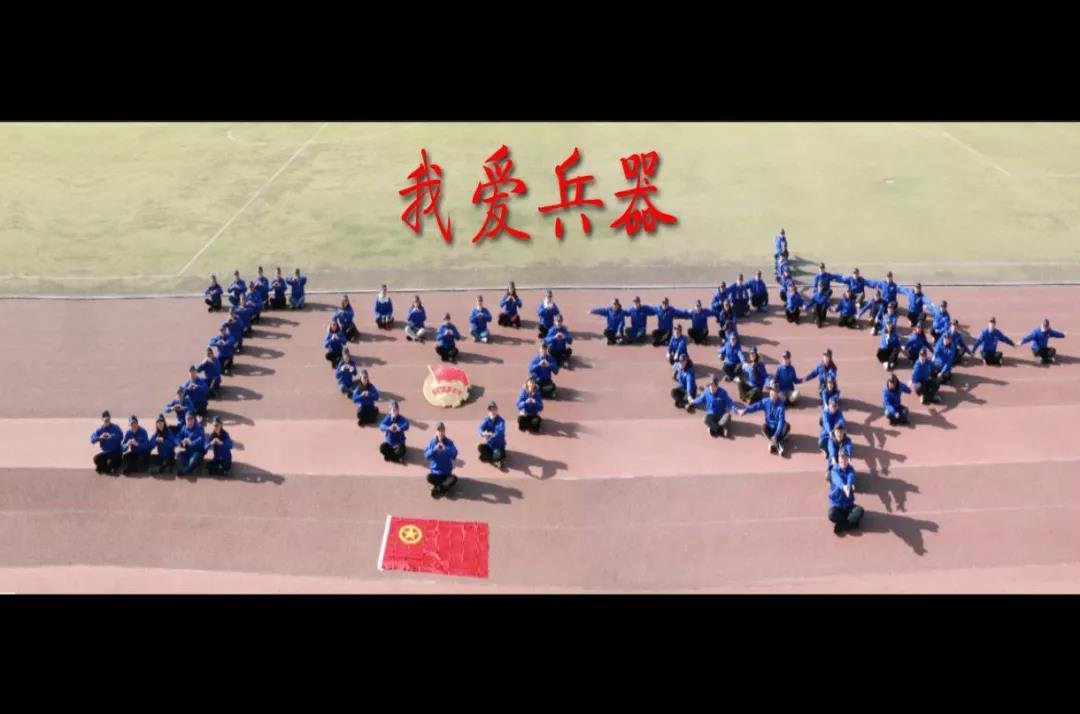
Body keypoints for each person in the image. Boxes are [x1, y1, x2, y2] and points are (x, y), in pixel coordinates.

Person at [740, 382, 790, 456]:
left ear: (777, 393)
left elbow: (780, 421)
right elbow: (756, 406)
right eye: (771, 390)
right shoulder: (766, 401)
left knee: (787, 426)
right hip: (770, 427)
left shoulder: (781, 406)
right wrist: (745, 410)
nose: (771, 393)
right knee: (763, 428)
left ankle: (776, 442)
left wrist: (776, 435)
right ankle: (777, 442)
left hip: (778, 428)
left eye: (774, 391)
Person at [828, 450, 865, 535]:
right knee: (831, 514)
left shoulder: (851, 470)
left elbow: (851, 477)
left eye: (845, 458)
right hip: (837, 505)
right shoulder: (834, 470)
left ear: (848, 459)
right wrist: (843, 487)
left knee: (860, 511)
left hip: (848, 506)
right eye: (842, 458)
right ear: (838, 458)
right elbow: (837, 479)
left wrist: (848, 485)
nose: (844, 461)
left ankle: (842, 525)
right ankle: (851, 525)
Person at [425, 422, 459, 499]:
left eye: (442, 430)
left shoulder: (449, 442)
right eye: (439, 430)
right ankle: (444, 488)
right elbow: (427, 456)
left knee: (454, 478)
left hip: (446, 473)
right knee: (428, 477)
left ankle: (438, 488)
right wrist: (434, 449)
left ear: (444, 431)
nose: (440, 432)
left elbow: (454, 454)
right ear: (436, 432)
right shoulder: (432, 443)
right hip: (436, 473)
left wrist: (445, 449)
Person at [90, 410, 124, 475]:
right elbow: (92, 439)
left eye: (108, 419)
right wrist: (99, 437)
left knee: (114, 461)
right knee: (96, 459)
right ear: (102, 420)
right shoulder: (100, 429)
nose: (107, 421)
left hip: (116, 452)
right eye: (105, 420)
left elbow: (120, 436)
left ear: (110, 419)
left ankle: (107, 467)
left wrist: (111, 436)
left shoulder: (115, 427)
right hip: (106, 453)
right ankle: (107, 468)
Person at [478, 401, 507, 468]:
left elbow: (500, 431)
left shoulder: (501, 421)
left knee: (497, 453)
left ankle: (495, 459)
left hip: (498, 445)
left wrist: (493, 435)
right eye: (490, 410)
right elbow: (480, 428)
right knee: (480, 447)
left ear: (497, 410)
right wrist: (483, 433)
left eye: (494, 409)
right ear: (488, 411)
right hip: (490, 444)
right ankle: (496, 460)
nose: (492, 412)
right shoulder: (486, 419)